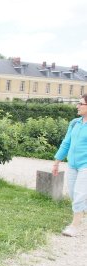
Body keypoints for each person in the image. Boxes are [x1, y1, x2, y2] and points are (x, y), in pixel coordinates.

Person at [53, 94, 87, 237]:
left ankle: (74, 226)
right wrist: (57, 161)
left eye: (80, 103)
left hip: (85, 165)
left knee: (79, 194)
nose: (77, 106)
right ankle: (80, 216)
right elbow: (66, 143)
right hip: (73, 165)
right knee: (74, 193)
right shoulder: (74, 123)